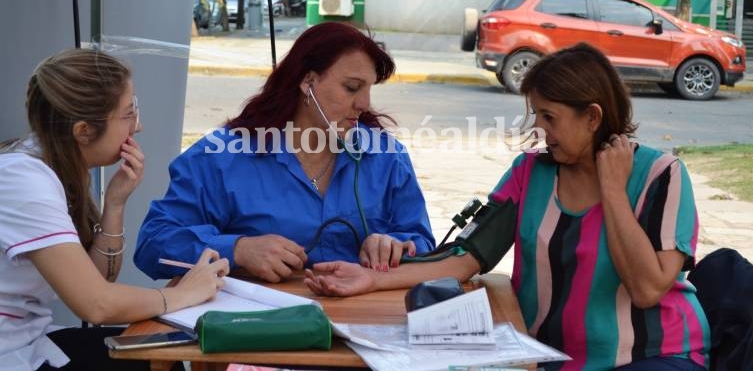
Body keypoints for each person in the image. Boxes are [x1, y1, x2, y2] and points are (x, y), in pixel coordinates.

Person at [304, 43, 711, 370]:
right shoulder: (530, 172)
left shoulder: (661, 174)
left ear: (592, 117)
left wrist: (613, 192)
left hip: (654, 356)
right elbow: (466, 259)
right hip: (550, 358)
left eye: (549, 117)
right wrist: (370, 279)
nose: (538, 129)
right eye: (536, 114)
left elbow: (646, 289)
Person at [134, 22, 435, 283]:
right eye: (352, 88)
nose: (364, 104)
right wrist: (238, 249)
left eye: (370, 89)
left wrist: (396, 245)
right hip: (257, 332)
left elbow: (424, 244)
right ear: (307, 82)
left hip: (365, 326)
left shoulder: (385, 157)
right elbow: (153, 244)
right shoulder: (221, 157)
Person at [0, 49, 229, 371]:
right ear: (83, 131)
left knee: (160, 351)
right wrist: (182, 294)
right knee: (159, 358)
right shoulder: (23, 181)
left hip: (28, 339)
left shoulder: (51, 166)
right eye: (128, 114)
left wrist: (115, 204)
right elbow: (96, 305)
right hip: (11, 352)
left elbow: (94, 283)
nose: (139, 126)